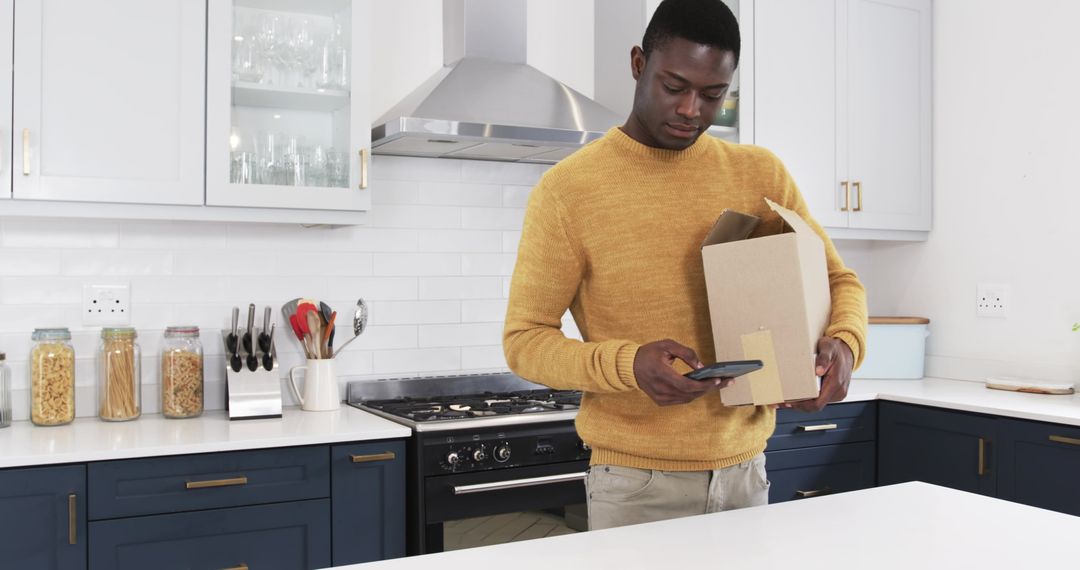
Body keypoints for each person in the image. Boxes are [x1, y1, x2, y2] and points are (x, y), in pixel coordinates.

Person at [503, 0, 867, 530]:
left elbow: (839, 280)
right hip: (635, 487)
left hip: (746, 475)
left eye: (713, 95)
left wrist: (844, 343)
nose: (692, 110)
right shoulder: (569, 191)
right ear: (637, 63)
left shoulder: (758, 173)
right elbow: (524, 339)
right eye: (674, 87)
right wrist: (629, 365)